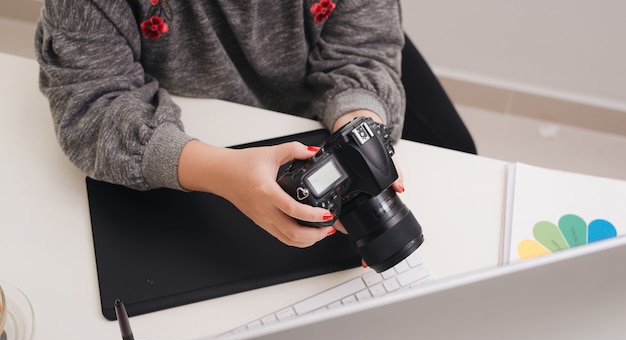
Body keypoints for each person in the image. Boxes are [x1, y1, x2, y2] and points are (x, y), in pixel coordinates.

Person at [35, 0, 475, 249]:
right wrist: (221, 172)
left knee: (463, 164)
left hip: (333, 65)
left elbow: (363, 46)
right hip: (197, 118)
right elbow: (92, 102)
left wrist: (361, 131)